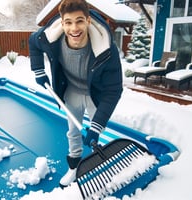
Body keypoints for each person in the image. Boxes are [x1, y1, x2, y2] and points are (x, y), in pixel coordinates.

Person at [28, 0, 123, 187]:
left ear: (88, 20)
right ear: (62, 23)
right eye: (69, 22)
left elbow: (113, 89)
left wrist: (95, 126)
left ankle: (100, 165)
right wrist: (38, 70)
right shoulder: (48, 37)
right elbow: (33, 42)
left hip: (95, 92)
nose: (74, 28)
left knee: (97, 129)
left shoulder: (106, 48)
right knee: (73, 131)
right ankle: (74, 167)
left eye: (79, 21)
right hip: (71, 90)